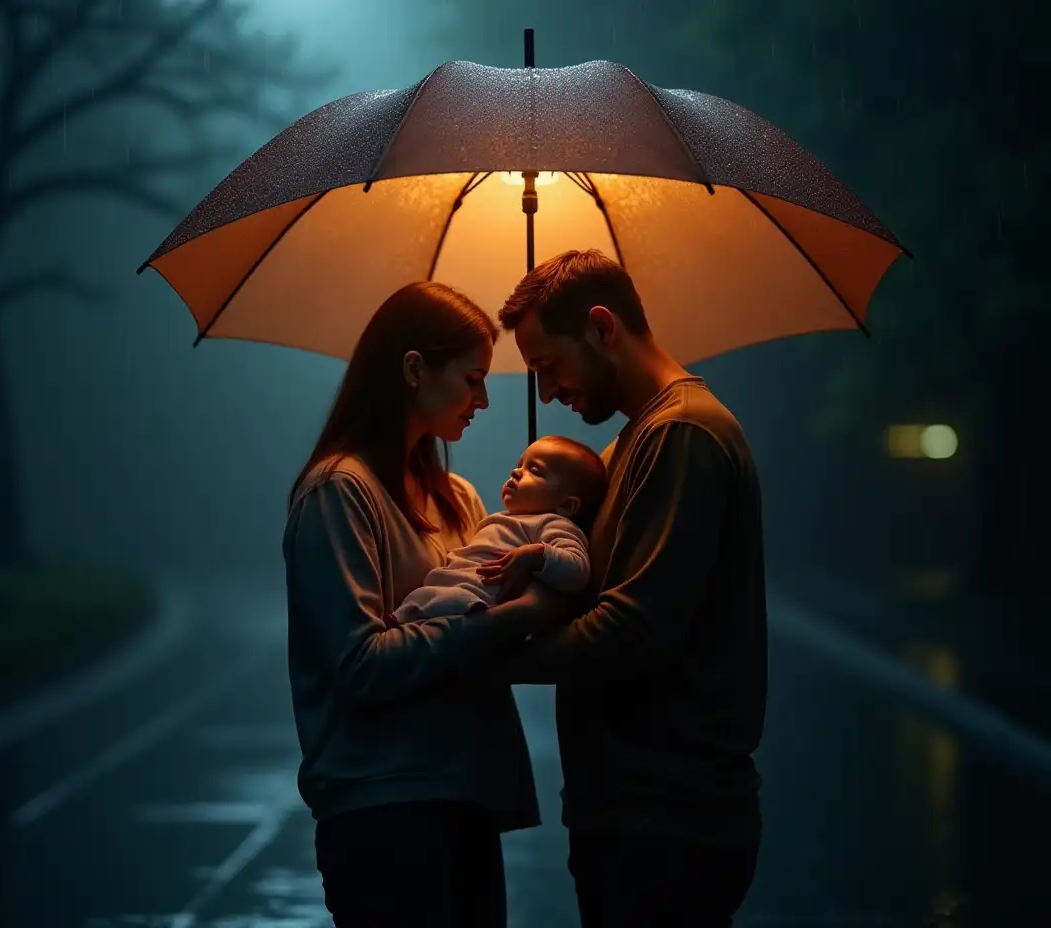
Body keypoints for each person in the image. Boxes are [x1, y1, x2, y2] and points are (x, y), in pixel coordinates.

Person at [493, 249, 768, 927]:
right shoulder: (624, 449)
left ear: (600, 326)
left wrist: (478, 658)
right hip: (632, 812)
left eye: (546, 367)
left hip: (669, 819)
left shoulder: (682, 435)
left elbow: (635, 628)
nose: (549, 393)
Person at [282, 281, 560, 928]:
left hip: (465, 795)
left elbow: (501, 613)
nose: (484, 400)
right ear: (413, 369)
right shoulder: (338, 495)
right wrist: (501, 621)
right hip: (384, 812)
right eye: (471, 379)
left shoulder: (458, 498)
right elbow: (359, 664)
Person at [385, 435, 607, 627]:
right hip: (453, 584)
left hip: (477, 597)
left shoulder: (553, 524)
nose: (516, 472)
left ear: (567, 506)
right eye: (520, 464)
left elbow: (577, 571)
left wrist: (536, 556)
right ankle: (400, 621)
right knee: (425, 596)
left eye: (535, 470)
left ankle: (402, 623)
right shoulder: (506, 519)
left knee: (445, 602)